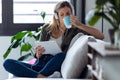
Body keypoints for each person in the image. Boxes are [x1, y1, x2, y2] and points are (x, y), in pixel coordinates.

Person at [3, 1, 104, 78]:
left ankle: (37, 76)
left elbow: (100, 36)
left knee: (61, 55)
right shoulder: (46, 29)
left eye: (68, 13)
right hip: (41, 63)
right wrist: (38, 53)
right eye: (62, 14)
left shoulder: (75, 30)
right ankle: (41, 77)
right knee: (7, 63)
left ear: (72, 14)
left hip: (55, 64)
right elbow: (38, 52)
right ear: (56, 16)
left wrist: (79, 24)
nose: (65, 16)